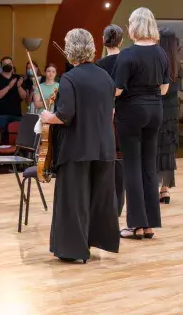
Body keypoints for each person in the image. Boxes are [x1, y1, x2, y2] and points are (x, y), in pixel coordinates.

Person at [40, 28, 119, 263]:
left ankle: (73, 250)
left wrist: (46, 116)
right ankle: (94, 241)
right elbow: (111, 112)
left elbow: (65, 115)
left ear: (70, 49)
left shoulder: (70, 78)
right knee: (98, 200)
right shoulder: (105, 76)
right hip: (104, 146)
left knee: (74, 200)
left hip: (77, 147)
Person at [114, 7, 169, 240]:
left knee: (132, 168)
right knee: (149, 166)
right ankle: (149, 225)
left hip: (132, 112)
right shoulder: (162, 54)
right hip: (155, 110)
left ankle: (135, 224)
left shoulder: (127, 55)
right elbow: (164, 89)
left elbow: (117, 90)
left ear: (134, 26)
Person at [96, 24, 125, 216]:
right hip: (127, 116)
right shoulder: (128, 60)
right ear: (121, 41)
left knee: (106, 162)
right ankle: (119, 205)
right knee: (121, 163)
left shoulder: (98, 65)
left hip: (105, 117)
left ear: (103, 40)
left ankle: (105, 205)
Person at [156, 28, 179, 204]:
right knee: (167, 150)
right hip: (172, 112)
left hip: (157, 109)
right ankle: (164, 189)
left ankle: (156, 187)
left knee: (155, 149)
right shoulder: (177, 64)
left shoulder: (158, 61)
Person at [0, 56, 26, 143]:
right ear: (1, 66)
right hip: (1, 115)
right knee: (1, 140)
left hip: (16, 114)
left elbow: (24, 97)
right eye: (5, 64)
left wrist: (19, 86)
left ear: (12, 65)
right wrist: (9, 86)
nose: (8, 65)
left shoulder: (18, 78)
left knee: (17, 140)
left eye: (10, 63)